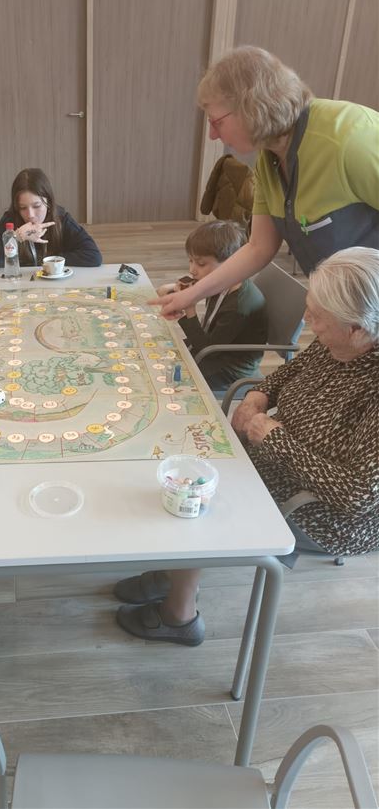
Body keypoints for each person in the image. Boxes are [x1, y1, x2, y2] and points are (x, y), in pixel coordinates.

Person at [115, 247, 379, 644]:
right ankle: (173, 569)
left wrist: (271, 436)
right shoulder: (338, 342)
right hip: (274, 456)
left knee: (194, 490)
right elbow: (290, 371)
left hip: (320, 511)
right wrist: (259, 395)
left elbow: (358, 496)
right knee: (188, 452)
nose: (308, 323)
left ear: (358, 328)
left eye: (316, 317)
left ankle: (179, 616)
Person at [156, 46, 379, 321]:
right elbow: (258, 248)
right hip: (345, 313)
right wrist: (191, 295)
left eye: (217, 122)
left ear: (251, 109)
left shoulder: (350, 138)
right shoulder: (268, 158)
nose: (213, 134)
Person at [158, 220, 267, 390]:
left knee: (166, 374)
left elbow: (208, 351)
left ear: (230, 263)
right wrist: (175, 289)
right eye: (191, 261)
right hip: (212, 346)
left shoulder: (238, 306)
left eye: (201, 264)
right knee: (160, 350)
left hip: (229, 367)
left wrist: (190, 308)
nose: (192, 270)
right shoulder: (225, 281)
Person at [0, 167, 102, 269]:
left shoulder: (61, 218)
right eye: (22, 208)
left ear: (49, 202)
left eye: (37, 206)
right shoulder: (10, 219)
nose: (30, 214)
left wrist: (49, 262)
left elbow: (94, 256)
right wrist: (16, 237)